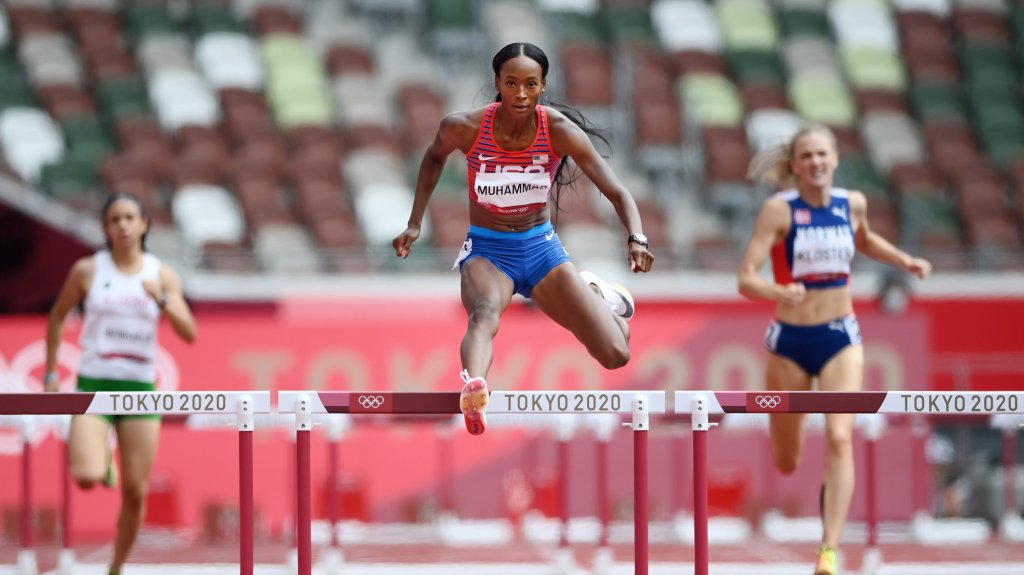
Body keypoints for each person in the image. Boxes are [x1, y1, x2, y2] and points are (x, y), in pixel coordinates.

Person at [392, 42, 654, 435]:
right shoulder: (465, 126)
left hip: (541, 250)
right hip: (488, 250)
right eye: (511, 83)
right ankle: (474, 388)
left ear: (543, 86)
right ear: (497, 82)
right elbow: (433, 157)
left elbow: (617, 191)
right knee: (483, 313)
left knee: (617, 352)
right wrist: (415, 222)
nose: (519, 93)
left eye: (530, 84)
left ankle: (594, 292)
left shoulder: (560, 131)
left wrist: (637, 238)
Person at [738, 125, 932, 575]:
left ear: (836, 158)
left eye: (822, 154)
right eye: (806, 156)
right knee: (787, 460)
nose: (815, 163)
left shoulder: (853, 204)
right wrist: (775, 290)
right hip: (788, 343)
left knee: (840, 437)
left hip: (840, 337)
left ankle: (828, 550)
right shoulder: (779, 211)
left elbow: (864, 239)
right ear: (796, 165)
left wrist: (904, 261)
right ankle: (806, 488)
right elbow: (745, 277)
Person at [44, 193, 196, 575]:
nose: (123, 225)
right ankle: (104, 462)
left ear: (144, 224)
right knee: (85, 476)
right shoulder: (87, 270)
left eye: (130, 218)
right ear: (106, 228)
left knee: (136, 490)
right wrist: (50, 371)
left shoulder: (161, 274)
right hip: (94, 383)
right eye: (115, 219)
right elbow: (58, 316)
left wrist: (161, 299)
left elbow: (189, 332)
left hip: (140, 389)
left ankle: (116, 567)